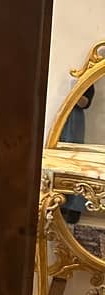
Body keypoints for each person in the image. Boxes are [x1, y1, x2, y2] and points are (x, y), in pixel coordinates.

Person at [60, 83, 95, 223]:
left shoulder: (84, 77)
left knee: (74, 161)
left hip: (73, 116)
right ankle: (57, 202)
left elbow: (86, 103)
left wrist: (72, 93)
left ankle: (74, 207)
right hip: (54, 113)